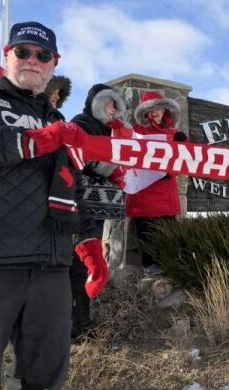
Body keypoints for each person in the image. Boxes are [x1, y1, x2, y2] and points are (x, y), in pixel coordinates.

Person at [0, 21, 107, 390]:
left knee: (44, 381)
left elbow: (74, 185)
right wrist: (30, 142)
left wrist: (91, 242)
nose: (33, 60)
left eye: (43, 55)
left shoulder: (57, 120)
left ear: (53, 64)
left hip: (50, 268)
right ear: (6, 55)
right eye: (23, 51)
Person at [69, 83, 127, 339]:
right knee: (77, 265)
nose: (112, 109)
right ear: (96, 103)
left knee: (88, 266)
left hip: (97, 205)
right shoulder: (81, 123)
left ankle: (82, 320)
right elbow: (76, 159)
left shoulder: (110, 131)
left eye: (116, 105)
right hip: (78, 204)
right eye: (108, 103)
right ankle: (75, 325)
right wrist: (108, 167)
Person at [125, 91, 184, 276]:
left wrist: (183, 144)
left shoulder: (173, 133)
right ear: (145, 113)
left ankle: (169, 268)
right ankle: (149, 269)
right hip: (145, 194)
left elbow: (184, 161)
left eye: (156, 108)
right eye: (149, 110)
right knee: (147, 233)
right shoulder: (138, 132)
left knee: (169, 235)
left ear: (163, 108)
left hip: (166, 192)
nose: (154, 113)